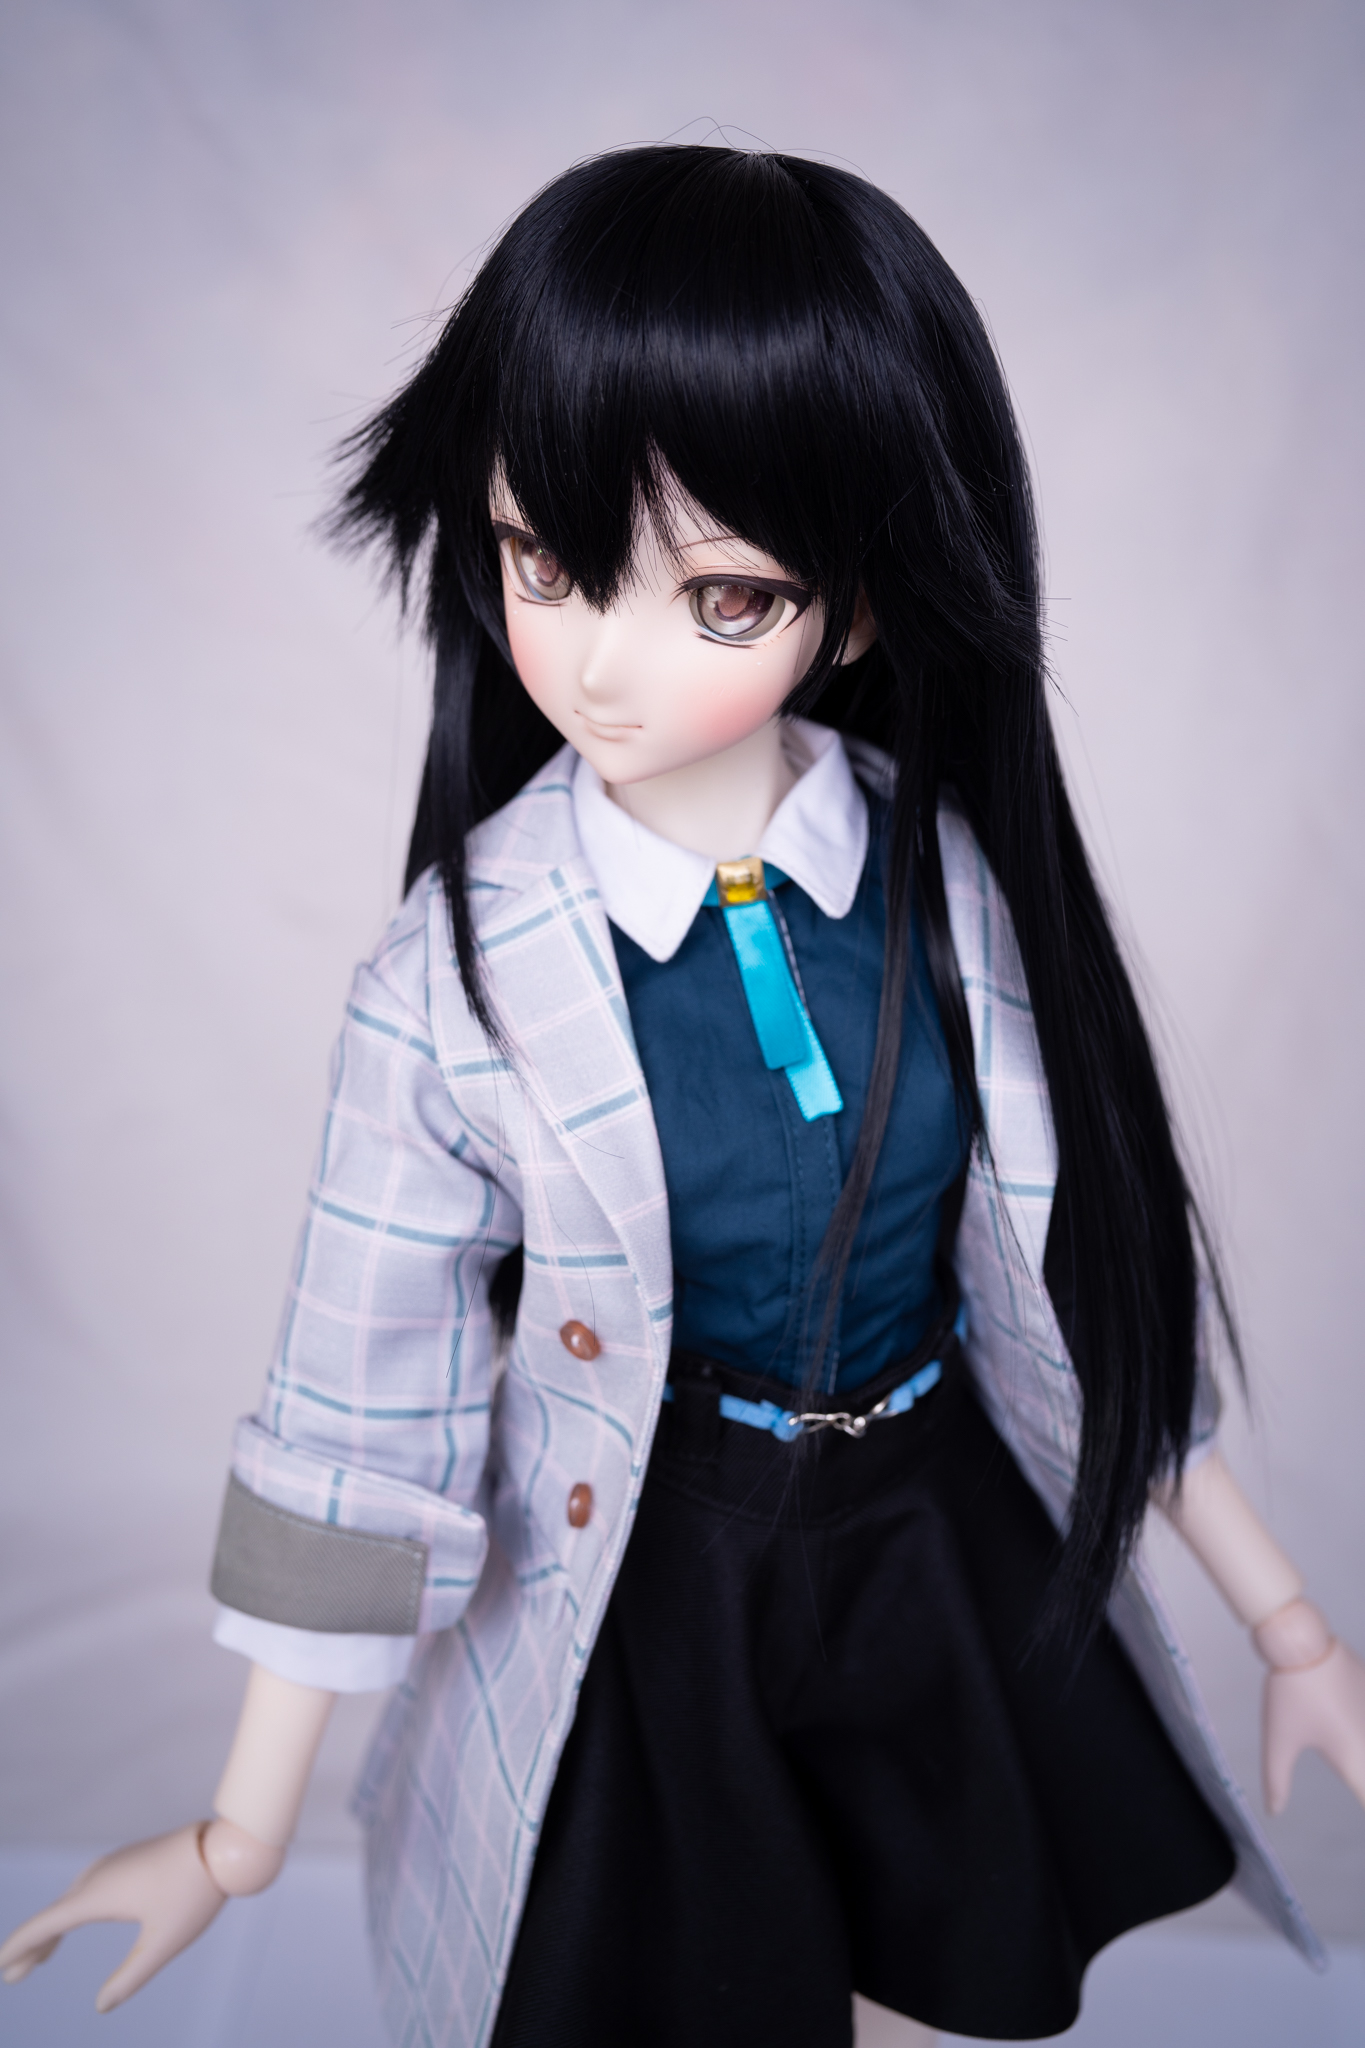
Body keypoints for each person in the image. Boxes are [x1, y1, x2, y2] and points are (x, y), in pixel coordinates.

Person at [4, 145, 1364, 2048]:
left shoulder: (942, 877)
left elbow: (1078, 1284)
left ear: (857, 610)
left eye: (719, 596)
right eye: (546, 566)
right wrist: (239, 1834)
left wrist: (1291, 1625)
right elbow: (359, 1404)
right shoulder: (455, 978)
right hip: (660, 1574)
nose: (601, 661)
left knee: (934, 1969)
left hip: (928, 1540)